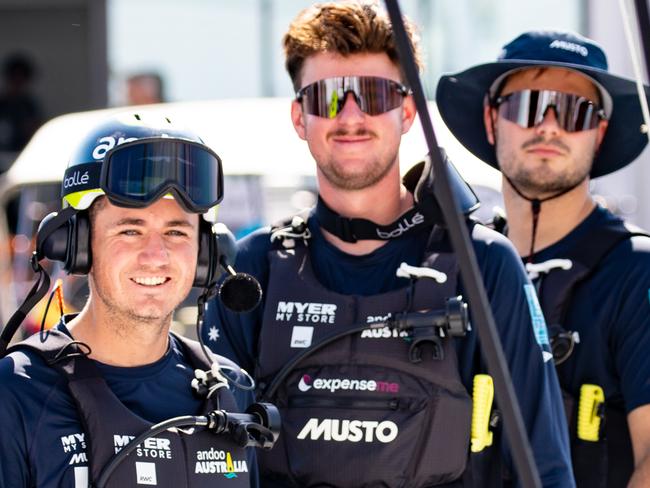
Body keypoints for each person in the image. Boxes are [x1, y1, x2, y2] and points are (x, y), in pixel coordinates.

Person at [203, 3, 573, 487]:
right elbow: (210, 462)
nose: (352, 115)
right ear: (299, 117)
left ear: (407, 111)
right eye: (328, 97)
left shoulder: (482, 263)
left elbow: (544, 465)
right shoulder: (254, 269)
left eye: (374, 95)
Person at [0, 113, 274, 487]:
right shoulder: (16, 391)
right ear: (78, 245)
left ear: (207, 254)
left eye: (176, 232)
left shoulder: (231, 388)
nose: (156, 255)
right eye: (130, 230)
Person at [436, 30, 650, 487]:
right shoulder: (455, 265)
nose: (549, 125)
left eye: (574, 111)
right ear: (492, 120)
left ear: (600, 132)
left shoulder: (638, 269)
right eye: (528, 106)